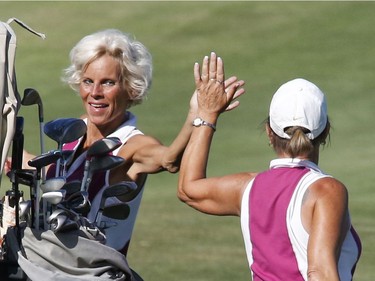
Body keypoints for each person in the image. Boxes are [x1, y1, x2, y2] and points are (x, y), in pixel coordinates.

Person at [5, 30, 245, 256]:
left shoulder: (133, 145)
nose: (95, 92)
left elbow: (170, 159)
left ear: (130, 89)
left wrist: (198, 116)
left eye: (108, 82)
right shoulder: (76, 130)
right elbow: (49, 172)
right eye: (88, 81)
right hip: (47, 266)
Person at [177, 53, 362, 280]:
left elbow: (189, 189)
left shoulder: (248, 188)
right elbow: (320, 273)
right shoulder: (327, 191)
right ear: (325, 132)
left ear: (268, 132)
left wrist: (206, 114)